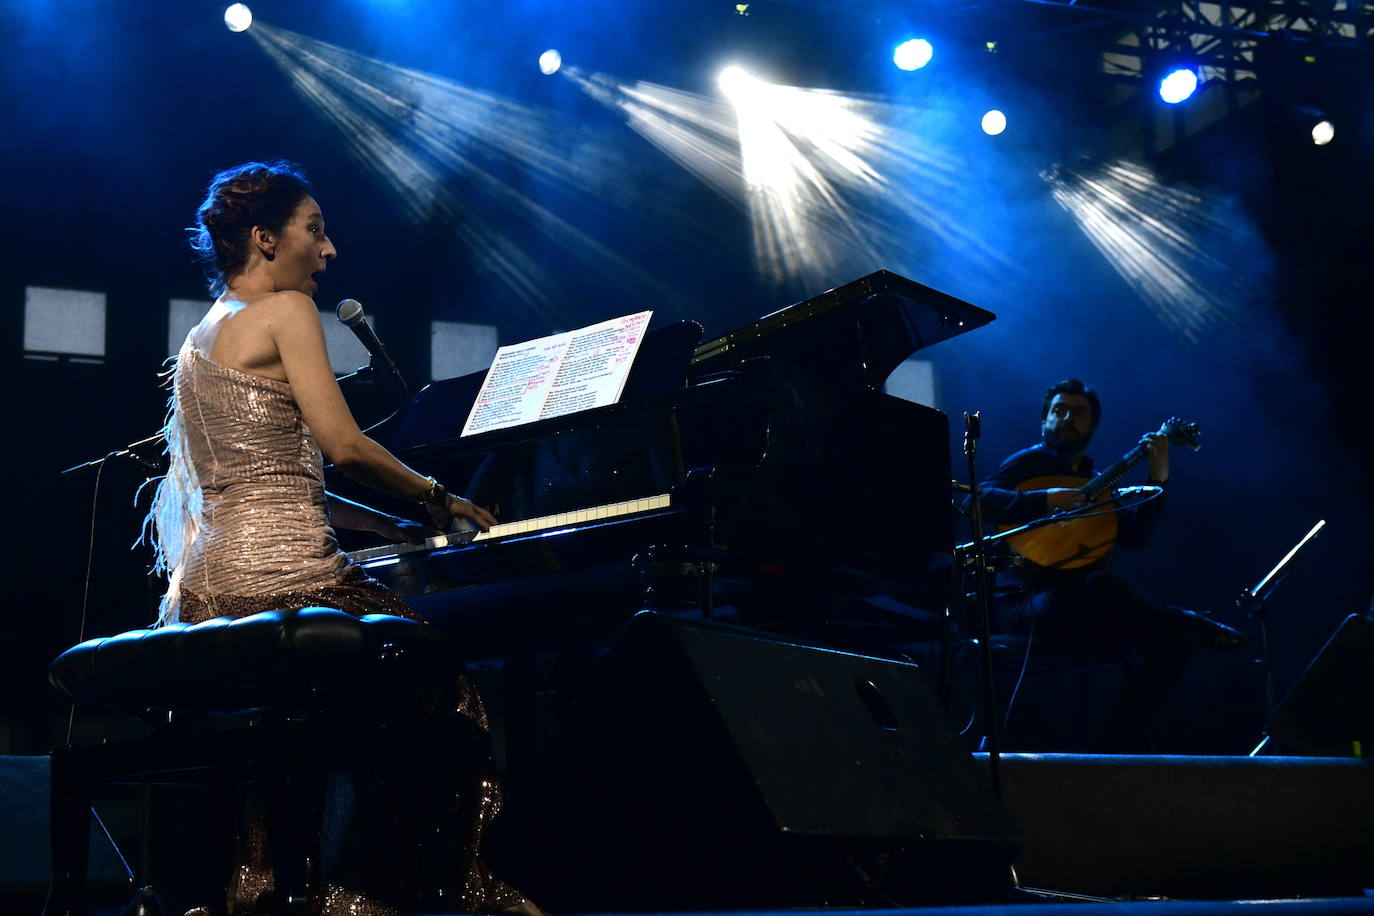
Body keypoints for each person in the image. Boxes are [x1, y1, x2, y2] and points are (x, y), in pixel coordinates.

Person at [145, 160, 538, 916]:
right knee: (445, 687)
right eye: (314, 230)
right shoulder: (288, 309)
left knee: (334, 708)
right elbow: (343, 445)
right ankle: (399, 891)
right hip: (284, 583)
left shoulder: (203, 336)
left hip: (210, 590)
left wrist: (391, 524)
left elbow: (271, 477)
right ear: (265, 238)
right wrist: (439, 495)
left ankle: (263, 888)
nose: (329, 252)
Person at [973, 378, 1246, 752]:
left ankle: (1115, 748)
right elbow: (979, 498)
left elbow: (1136, 538)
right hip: (1024, 605)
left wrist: (1157, 480)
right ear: (1044, 421)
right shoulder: (1029, 463)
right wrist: (1047, 499)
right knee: (1103, 585)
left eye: (1079, 413)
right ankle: (1183, 616)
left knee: (1172, 646)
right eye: (1059, 411)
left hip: (1080, 612)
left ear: (1092, 426)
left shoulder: (1096, 483)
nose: (1068, 418)